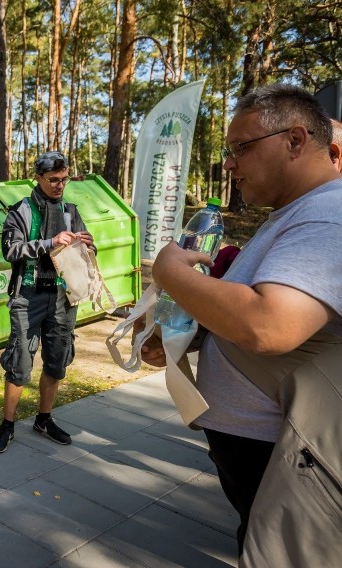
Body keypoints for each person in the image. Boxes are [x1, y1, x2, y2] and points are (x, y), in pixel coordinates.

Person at [139, 84, 342, 557]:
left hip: (290, 454)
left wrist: (169, 271)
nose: (229, 164)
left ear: (294, 140)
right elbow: (253, 311)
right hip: (268, 448)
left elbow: (270, 326)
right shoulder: (293, 212)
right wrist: (182, 339)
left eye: (240, 148)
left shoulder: (328, 214)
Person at [0, 151, 94, 453]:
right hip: (28, 296)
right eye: (53, 180)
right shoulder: (21, 210)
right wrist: (49, 242)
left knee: (57, 361)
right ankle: (7, 425)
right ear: (38, 178)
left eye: (64, 179)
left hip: (63, 297)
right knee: (20, 362)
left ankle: (44, 419)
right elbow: (11, 251)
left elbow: (88, 250)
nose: (60, 186)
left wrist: (88, 245)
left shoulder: (71, 210)